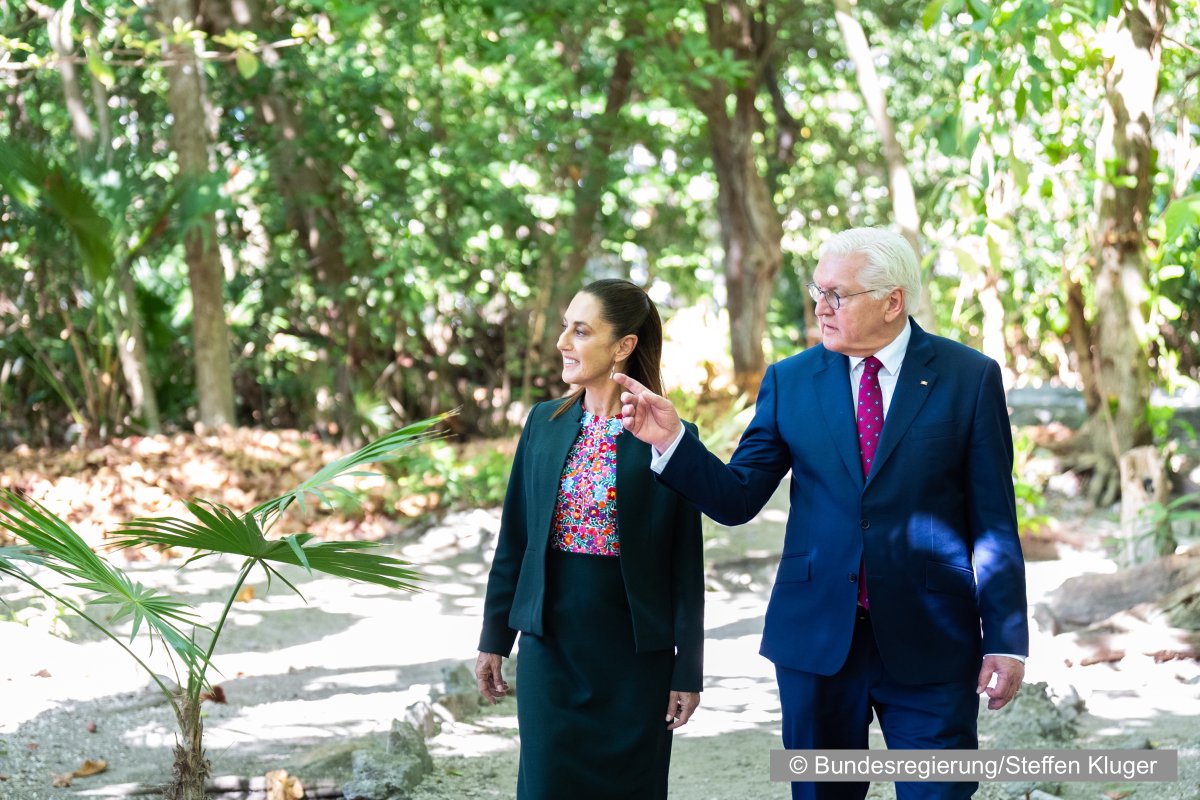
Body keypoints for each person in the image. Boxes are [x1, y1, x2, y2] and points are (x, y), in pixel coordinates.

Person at [615, 228, 1028, 800]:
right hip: (816, 641)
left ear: (892, 301)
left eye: (837, 295)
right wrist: (672, 442)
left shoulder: (969, 377)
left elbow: (994, 521)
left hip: (932, 639)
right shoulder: (790, 380)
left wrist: (1006, 639)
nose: (819, 306)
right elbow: (738, 498)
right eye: (817, 291)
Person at [475, 278, 704, 800]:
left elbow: (685, 566)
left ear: (624, 346)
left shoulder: (668, 435)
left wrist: (687, 669)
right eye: (565, 328)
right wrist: (494, 639)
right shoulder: (543, 423)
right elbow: (514, 540)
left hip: (634, 656)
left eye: (581, 331)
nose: (563, 343)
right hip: (548, 644)